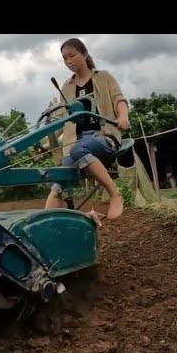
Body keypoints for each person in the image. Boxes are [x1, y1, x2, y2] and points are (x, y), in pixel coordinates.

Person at [44, 38, 130, 220]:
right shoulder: (67, 87)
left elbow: (119, 100)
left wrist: (123, 117)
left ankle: (115, 194)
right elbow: (62, 119)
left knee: (78, 150)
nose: (69, 61)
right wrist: (46, 141)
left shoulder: (103, 77)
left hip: (102, 137)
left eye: (72, 56)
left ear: (84, 54)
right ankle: (46, 221)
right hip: (77, 141)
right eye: (65, 59)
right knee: (60, 177)